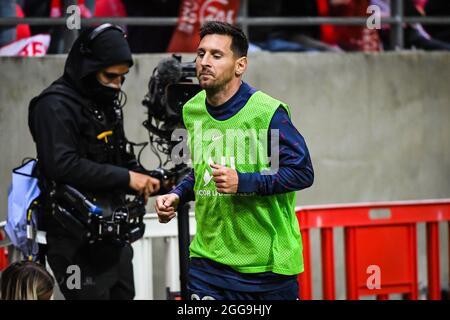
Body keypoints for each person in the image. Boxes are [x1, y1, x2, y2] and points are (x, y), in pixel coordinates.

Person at [155, 21, 314, 300]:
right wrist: (178, 195)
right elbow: (202, 168)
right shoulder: (192, 110)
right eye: (201, 53)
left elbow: (301, 172)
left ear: (240, 65)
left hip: (265, 270)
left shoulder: (267, 113)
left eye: (216, 55)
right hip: (208, 263)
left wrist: (243, 181)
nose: (204, 62)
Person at [28, 24, 160, 299]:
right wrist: (127, 178)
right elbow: (61, 164)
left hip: (113, 238)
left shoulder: (106, 105)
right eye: (110, 76)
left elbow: (120, 158)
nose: (117, 85)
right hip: (73, 241)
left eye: (122, 78)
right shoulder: (53, 105)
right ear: (88, 68)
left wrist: (152, 179)